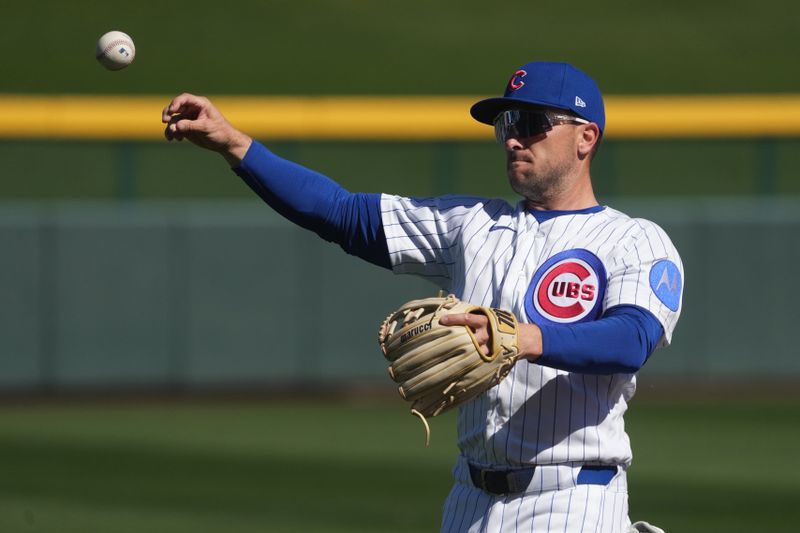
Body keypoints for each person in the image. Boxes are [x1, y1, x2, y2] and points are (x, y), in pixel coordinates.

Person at [162, 61, 683, 533]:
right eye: (506, 125)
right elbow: (341, 214)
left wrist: (523, 338)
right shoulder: (472, 227)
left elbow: (632, 338)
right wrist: (234, 144)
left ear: (585, 137)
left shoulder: (634, 240)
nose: (512, 140)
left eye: (530, 124)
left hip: (574, 500)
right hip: (468, 501)